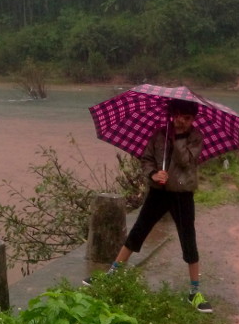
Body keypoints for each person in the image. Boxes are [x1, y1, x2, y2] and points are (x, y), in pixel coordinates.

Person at [83, 98, 212, 312]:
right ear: (173, 114)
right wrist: (154, 174)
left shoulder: (195, 138)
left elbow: (185, 161)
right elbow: (146, 159)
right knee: (139, 230)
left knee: (188, 239)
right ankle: (112, 275)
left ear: (193, 120)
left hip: (182, 194)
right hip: (158, 192)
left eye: (187, 118)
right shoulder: (159, 135)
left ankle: (194, 291)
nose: (181, 121)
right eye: (178, 116)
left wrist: (178, 138)